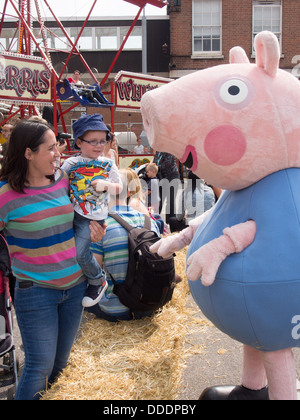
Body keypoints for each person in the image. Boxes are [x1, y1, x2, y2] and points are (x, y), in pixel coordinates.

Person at [0, 119, 103, 400]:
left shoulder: (64, 180)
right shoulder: (5, 195)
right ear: (28, 153)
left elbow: (87, 213)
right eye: (50, 148)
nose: (58, 153)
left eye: (57, 146)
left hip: (76, 288)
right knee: (39, 367)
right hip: (35, 292)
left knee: (60, 365)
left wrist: (95, 228)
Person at [61, 114, 122, 308]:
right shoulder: (71, 163)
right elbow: (60, 184)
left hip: (93, 218)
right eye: (93, 141)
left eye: (103, 141)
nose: (99, 146)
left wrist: (105, 184)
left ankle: (97, 279)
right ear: (79, 142)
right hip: (72, 214)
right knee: (69, 253)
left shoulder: (108, 163)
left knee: (80, 253)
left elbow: (119, 187)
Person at [87, 169, 160, 322]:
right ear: (128, 193)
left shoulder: (101, 227)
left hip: (115, 311)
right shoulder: (150, 222)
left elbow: (94, 272)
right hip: (148, 306)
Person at [153, 151, 181, 231]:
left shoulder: (169, 151)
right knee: (159, 200)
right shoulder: (158, 152)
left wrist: (154, 168)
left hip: (172, 177)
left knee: (170, 201)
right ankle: (156, 219)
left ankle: (171, 223)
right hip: (162, 178)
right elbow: (155, 162)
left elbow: (166, 165)